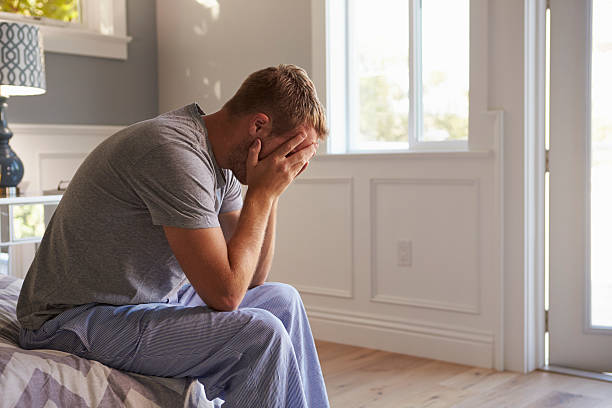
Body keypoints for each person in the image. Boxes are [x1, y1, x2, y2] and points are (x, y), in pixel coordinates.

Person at [16, 64, 330, 408]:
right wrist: (263, 194)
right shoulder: (173, 152)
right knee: (260, 335)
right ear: (258, 126)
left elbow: (253, 277)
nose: (290, 165)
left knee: (283, 301)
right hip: (71, 319)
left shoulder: (222, 160)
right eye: (290, 153)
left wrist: (272, 192)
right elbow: (226, 294)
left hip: (148, 302)